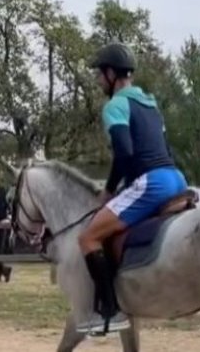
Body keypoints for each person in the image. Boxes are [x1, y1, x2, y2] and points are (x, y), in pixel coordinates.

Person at [78, 42, 188, 334]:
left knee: (88, 237)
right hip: (176, 177)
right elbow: (164, 148)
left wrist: (110, 190)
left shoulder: (115, 105)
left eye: (100, 74)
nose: (99, 80)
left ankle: (111, 311)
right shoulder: (151, 105)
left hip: (152, 182)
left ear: (112, 73)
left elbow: (124, 153)